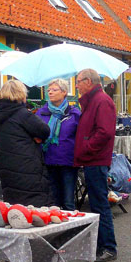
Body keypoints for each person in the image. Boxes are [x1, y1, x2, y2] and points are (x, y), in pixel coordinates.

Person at [74, 68, 118, 262]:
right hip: (93, 159)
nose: (76, 85)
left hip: (96, 160)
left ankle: (108, 247)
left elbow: (104, 132)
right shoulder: (94, 101)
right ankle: (102, 246)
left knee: (100, 204)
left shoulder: (101, 101)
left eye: (78, 81)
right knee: (97, 204)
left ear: (89, 82)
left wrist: (86, 148)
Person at [0, 79, 51, 207]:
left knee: (14, 206)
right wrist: (35, 137)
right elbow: (45, 130)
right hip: (27, 168)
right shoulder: (22, 114)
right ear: (20, 94)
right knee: (33, 208)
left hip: (7, 167)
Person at [36, 78, 81, 210]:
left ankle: (72, 230)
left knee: (68, 201)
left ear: (64, 92)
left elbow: (81, 137)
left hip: (68, 162)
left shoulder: (74, 114)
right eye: (48, 90)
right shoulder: (41, 113)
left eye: (54, 90)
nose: (50, 92)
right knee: (53, 202)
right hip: (48, 161)